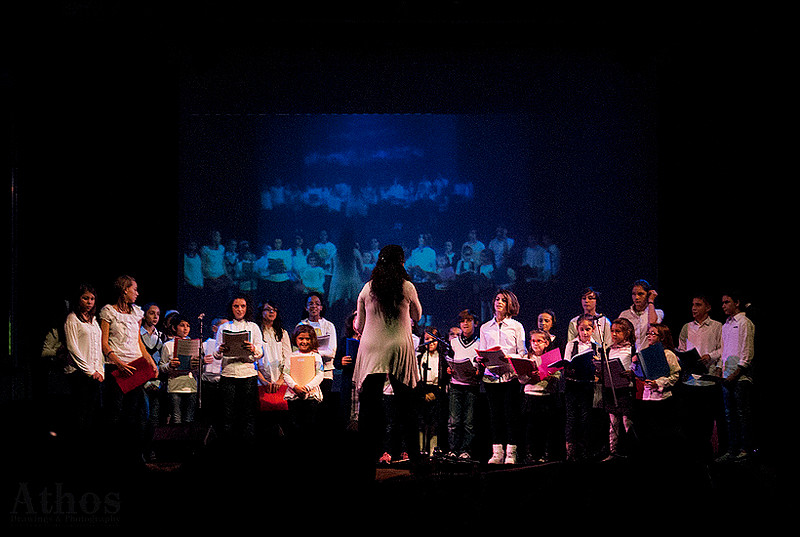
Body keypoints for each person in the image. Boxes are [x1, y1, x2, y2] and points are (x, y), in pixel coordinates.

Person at [352, 244, 423, 475]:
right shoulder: (407, 287)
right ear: (402, 262)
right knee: (406, 407)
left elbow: (359, 325)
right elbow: (417, 315)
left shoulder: (367, 288)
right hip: (399, 346)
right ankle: (415, 461)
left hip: (372, 347)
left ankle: (364, 461)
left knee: (369, 409)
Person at [99, 275, 157, 468]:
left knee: (137, 413)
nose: (137, 293)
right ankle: (114, 456)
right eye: (134, 289)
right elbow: (104, 343)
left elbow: (138, 341)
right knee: (115, 413)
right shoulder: (109, 312)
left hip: (135, 366)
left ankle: (134, 455)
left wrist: (150, 361)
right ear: (125, 290)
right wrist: (118, 362)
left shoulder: (137, 313)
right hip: (117, 368)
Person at [477, 289, 526, 464]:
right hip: (491, 377)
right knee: (494, 415)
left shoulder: (516, 326)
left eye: (503, 300)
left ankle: (511, 453)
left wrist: (510, 359)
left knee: (510, 414)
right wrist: (480, 358)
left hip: (510, 377)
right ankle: (497, 452)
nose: (498, 302)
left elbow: (522, 352)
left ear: (509, 304)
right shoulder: (485, 327)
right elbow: (482, 352)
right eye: (497, 299)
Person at [676, 294, 723, 464]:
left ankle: (708, 453)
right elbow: (681, 348)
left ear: (708, 307)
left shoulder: (717, 326)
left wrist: (709, 356)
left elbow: (722, 349)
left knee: (706, 418)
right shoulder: (686, 327)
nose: (694, 308)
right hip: (690, 379)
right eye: (692, 305)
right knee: (691, 418)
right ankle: (692, 453)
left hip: (708, 378)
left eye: (698, 305)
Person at [213, 295, 264, 451]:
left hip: (248, 374)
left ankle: (247, 447)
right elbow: (216, 354)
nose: (239, 309)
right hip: (228, 373)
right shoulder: (224, 327)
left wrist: (253, 349)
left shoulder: (253, 327)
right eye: (236, 306)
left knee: (248, 413)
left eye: (242, 306)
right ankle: (229, 447)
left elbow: (260, 352)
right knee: (228, 413)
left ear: (247, 308)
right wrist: (220, 350)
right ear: (231, 308)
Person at [715, 292, 756, 462]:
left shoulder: (744, 323)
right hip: (726, 376)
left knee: (741, 414)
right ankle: (732, 450)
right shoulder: (725, 325)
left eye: (727, 302)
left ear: (737, 302)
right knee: (729, 415)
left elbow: (747, 350)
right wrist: (719, 368)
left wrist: (737, 372)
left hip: (740, 377)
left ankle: (745, 449)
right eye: (722, 303)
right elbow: (724, 350)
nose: (723, 305)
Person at [633, 323, 682, 463]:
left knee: (662, 431)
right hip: (647, 398)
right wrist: (635, 364)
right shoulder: (646, 353)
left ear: (662, 337)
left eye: (653, 334)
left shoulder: (668, 354)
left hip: (662, 399)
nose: (649, 336)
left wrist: (659, 383)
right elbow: (640, 375)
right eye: (648, 333)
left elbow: (674, 376)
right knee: (648, 431)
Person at [63, 283, 104, 446]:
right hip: (79, 373)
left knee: (92, 413)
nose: (89, 302)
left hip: (94, 374)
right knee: (80, 413)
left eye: (92, 298)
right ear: (78, 299)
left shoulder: (94, 321)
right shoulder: (72, 319)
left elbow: (98, 347)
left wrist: (100, 370)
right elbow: (73, 348)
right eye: (85, 298)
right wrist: (89, 371)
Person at [562, 314, 600, 462]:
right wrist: (569, 366)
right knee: (572, 417)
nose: (585, 333)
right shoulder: (572, 344)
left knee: (586, 417)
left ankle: (585, 449)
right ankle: (570, 451)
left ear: (593, 329)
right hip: (572, 384)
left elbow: (599, 367)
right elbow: (567, 361)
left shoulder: (596, 346)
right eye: (582, 329)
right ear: (577, 329)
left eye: (588, 329)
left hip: (587, 384)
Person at [296, 292, 338, 427]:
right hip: (306, 373)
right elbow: (296, 350)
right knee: (307, 408)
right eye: (310, 304)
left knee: (322, 408)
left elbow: (331, 352)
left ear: (321, 307)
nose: (314, 306)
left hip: (325, 372)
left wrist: (315, 351)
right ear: (306, 307)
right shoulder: (301, 325)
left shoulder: (329, 326)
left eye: (317, 304)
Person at [519, 329, 560, 464]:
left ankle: (545, 454)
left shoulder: (551, 357)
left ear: (546, 343)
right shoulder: (527, 358)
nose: (535, 344)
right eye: (533, 341)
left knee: (545, 427)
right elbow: (521, 378)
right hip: (530, 395)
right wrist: (529, 377)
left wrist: (545, 376)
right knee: (531, 428)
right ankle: (530, 455)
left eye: (539, 341)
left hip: (545, 396)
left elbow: (558, 376)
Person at [445, 309, 481, 461]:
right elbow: (448, 361)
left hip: (471, 385)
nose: (465, 323)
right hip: (456, 385)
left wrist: (478, 370)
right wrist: (449, 369)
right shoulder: (453, 342)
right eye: (462, 321)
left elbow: (481, 363)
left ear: (475, 323)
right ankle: (453, 449)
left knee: (469, 422)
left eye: (468, 320)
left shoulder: (479, 343)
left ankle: (466, 450)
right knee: (454, 421)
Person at [601, 318, 637, 461]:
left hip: (625, 390)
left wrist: (631, 372)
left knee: (627, 422)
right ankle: (613, 452)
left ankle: (630, 451)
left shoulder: (632, 349)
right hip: (611, 389)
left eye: (618, 331)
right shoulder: (608, 349)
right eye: (612, 331)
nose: (614, 334)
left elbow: (637, 369)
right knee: (612, 423)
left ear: (627, 333)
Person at [282, 324, 325, 444]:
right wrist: (296, 387)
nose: (304, 341)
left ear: (312, 340)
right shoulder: (291, 356)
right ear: (296, 339)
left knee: (310, 426)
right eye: (301, 338)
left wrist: (306, 387)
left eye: (307, 338)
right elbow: (286, 374)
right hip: (294, 396)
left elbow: (319, 374)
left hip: (310, 396)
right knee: (294, 426)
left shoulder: (316, 356)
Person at [159, 314, 199, 424]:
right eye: (182, 325)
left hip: (191, 386)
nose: (185, 328)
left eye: (188, 326)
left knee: (189, 420)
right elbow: (161, 367)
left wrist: (199, 363)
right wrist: (170, 365)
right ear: (174, 328)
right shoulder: (168, 345)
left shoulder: (194, 344)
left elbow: (200, 369)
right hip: (175, 386)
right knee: (177, 419)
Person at [417, 327, 447, 455]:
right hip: (422, 392)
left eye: (433, 340)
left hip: (436, 392)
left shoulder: (442, 359)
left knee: (435, 422)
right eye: (427, 339)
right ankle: (420, 450)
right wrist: (423, 394)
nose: (431, 343)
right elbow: (416, 377)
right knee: (421, 422)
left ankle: (432, 451)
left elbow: (444, 379)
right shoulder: (420, 357)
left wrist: (436, 394)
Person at [619, 279, 664, 350]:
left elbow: (652, 324)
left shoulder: (658, 313)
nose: (636, 297)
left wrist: (651, 301)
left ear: (648, 295)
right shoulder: (625, 315)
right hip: (630, 355)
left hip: (648, 353)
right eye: (634, 294)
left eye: (640, 294)